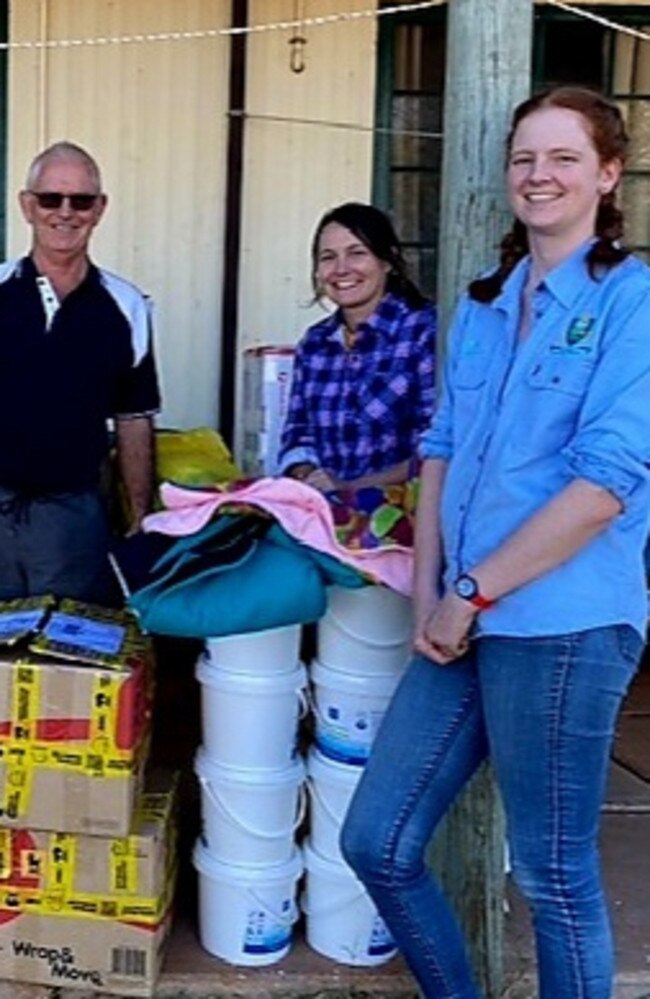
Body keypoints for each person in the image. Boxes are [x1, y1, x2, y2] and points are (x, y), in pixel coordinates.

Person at [341, 87, 650, 999]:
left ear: (605, 173)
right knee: (379, 840)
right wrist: (431, 596)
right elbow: (439, 452)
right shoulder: (483, 303)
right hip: (459, 618)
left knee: (552, 876)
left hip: (561, 624)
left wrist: (470, 591)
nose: (538, 174)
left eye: (562, 157)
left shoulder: (631, 303)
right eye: (524, 158)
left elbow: (601, 489)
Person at [0, 141, 161, 604]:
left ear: (99, 209)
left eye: (81, 201)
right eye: (51, 199)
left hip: (73, 516)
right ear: (27, 206)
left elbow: (134, 419)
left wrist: (138, 520)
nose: (65, 213)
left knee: (65, 655)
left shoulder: (127, 306)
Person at [278, 202, 436, 492]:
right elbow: (298, 435)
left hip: (405, 515)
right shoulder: (315, 343)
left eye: (357, 253)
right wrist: (307, 476)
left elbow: (437, 448)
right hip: (326, 515)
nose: (341, 269)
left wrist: (352, 486)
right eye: (328, 257)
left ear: (387, 260)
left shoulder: (423, 332)